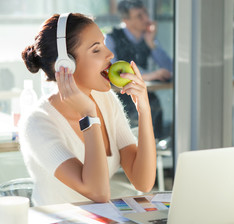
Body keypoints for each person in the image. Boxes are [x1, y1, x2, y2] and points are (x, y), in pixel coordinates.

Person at [20, 13, 157, 206]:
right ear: (65, 64)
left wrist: (144, 109)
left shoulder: (106, 100)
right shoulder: (37, 122)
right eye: (96, 50)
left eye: (104, 44)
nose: (110, 54)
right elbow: (98, 192)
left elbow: (143, 181)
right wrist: (89, 115)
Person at [105, 0, 173, 139]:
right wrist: (150, 75)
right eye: (139, 16)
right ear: (126, 20)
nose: (147, 19)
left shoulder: (148, 38)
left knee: (154, 132)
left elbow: (171, 68)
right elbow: (112, 70)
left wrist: (151, 43)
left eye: (146, 13)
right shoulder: (111, 38)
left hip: (145, 98)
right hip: (122, 99)